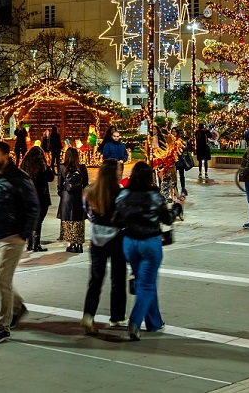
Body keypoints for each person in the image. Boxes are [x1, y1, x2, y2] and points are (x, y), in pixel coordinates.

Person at [112, 161, 183, 341]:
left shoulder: (123, 195)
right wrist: (177, 207)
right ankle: (135, 322)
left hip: (129, 243)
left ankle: (154, 322)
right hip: (150, 243)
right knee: (147, 284)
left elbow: (116, 220)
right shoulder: (154, 196)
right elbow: (167, 219)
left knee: (143, 281)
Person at [0, 141, 39, 344]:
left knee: (1, 279)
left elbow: (32, 207)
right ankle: (17, 307)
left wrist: (23, 234)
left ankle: (1, 327)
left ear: (6, 155)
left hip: (11, 237)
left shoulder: (20, 179)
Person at [81, 159, 127, 335]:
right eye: (118, 170)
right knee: (118, 278)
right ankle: (117, 317)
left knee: (95, 279)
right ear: (113, 173)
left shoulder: (89, 191)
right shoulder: (120, 193)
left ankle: (88, 315)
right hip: (116, 239)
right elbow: (123, 216)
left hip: (96, 239)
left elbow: (87, 213)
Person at [21, 146, 53, 252]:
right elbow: (51, 177)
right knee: (38, 221)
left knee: (30, 220)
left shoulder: (24, 165)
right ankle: (36, 244)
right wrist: (47, 164)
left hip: (28, 197)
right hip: (41, 197)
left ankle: (30, 243)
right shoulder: (42, 165)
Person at [57, 147, 87, 253]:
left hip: (67, 197)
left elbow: (59, 185)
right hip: (79, 196)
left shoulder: (62, 167)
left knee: (68, 221)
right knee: (79, 220)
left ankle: (71, 244)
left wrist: (62, 193)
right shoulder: (82, 167)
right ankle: (79, 244)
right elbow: (86, 184)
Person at [170, 127, 191, 197]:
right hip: (172, 160)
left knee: (181, 175)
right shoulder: (170, 140)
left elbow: (185, 147)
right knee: (173, 177)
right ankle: (175, 190)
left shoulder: (180, 139)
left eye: (175, 131)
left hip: (180, 160)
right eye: (172, 131)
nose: (174, 133)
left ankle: (183, 189)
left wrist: (182, 147)